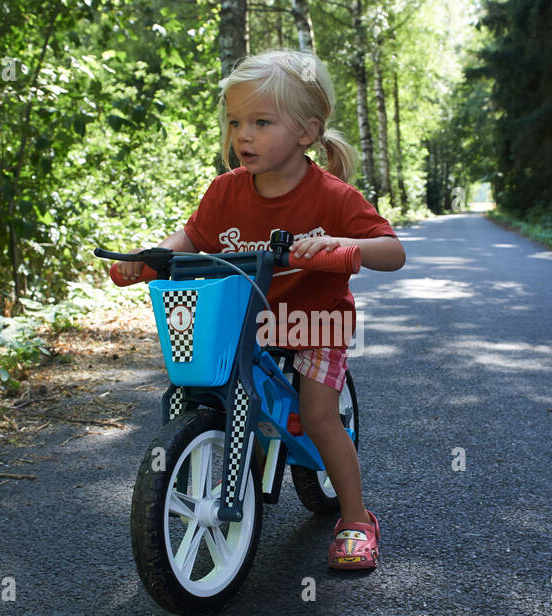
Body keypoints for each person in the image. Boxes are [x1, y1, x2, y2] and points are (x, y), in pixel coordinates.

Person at [115, 49, 405, 570]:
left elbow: (393, 251)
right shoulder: (225, 191)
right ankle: (230, 457)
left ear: (306, 132)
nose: (242, 135)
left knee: (318, 415)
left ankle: (357, 519)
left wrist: (342, 244)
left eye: (260, 122)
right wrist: (147, 259)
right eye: (234, 123)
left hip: (315, 322)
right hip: (247, 320)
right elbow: (190, 239)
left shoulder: (333, 197)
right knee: (209, 388)